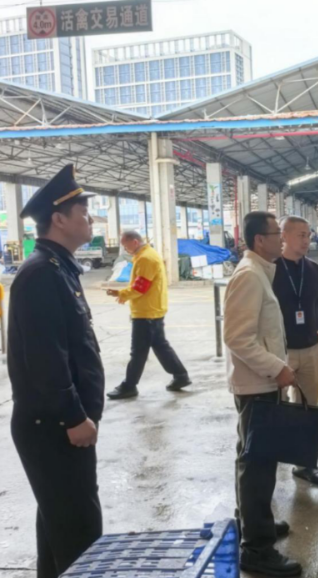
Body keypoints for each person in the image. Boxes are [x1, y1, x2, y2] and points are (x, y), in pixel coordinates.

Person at [8, 164, 104, 578]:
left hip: (58, 424)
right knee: (80, 534)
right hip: (53, 426)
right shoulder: (41, 274)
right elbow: (45, 358)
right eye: (83, 212)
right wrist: (73, 416)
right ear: (59, 220)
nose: (90, 219)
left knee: (59, 527)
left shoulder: (58, 268)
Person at [224, 211, 302, 578]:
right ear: (259, 240)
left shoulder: (259, 272)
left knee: (253, 460)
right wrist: (277, 367)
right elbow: (237, 337)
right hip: (257, 386)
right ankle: (256, 548)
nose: (281, 240)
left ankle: (253, 523)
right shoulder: (249, 276)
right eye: (276, 234)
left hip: (260, 384)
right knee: (258, 467)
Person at [273, 216, 318, 486]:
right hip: (279, 352)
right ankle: (271, 457)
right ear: (283, 236)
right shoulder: (271, 269)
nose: (306, 240)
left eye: (308, 235)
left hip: (311, 348)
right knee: (275, 406)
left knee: (309, 407)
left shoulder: (314, 270)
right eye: (300, 234)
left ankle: (306, 464)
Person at [106, 231, 190, 399]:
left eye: (125, 245)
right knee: (160, 346)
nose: (125, 249)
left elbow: (140, 288)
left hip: (146, 313)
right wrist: (124, 294)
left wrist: (121, 293)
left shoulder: (146, 259)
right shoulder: (145, 256)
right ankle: (180, 376)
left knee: (138, 351)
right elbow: (140, 285)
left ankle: (129, 386)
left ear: (135, 242)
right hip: (151, 310)